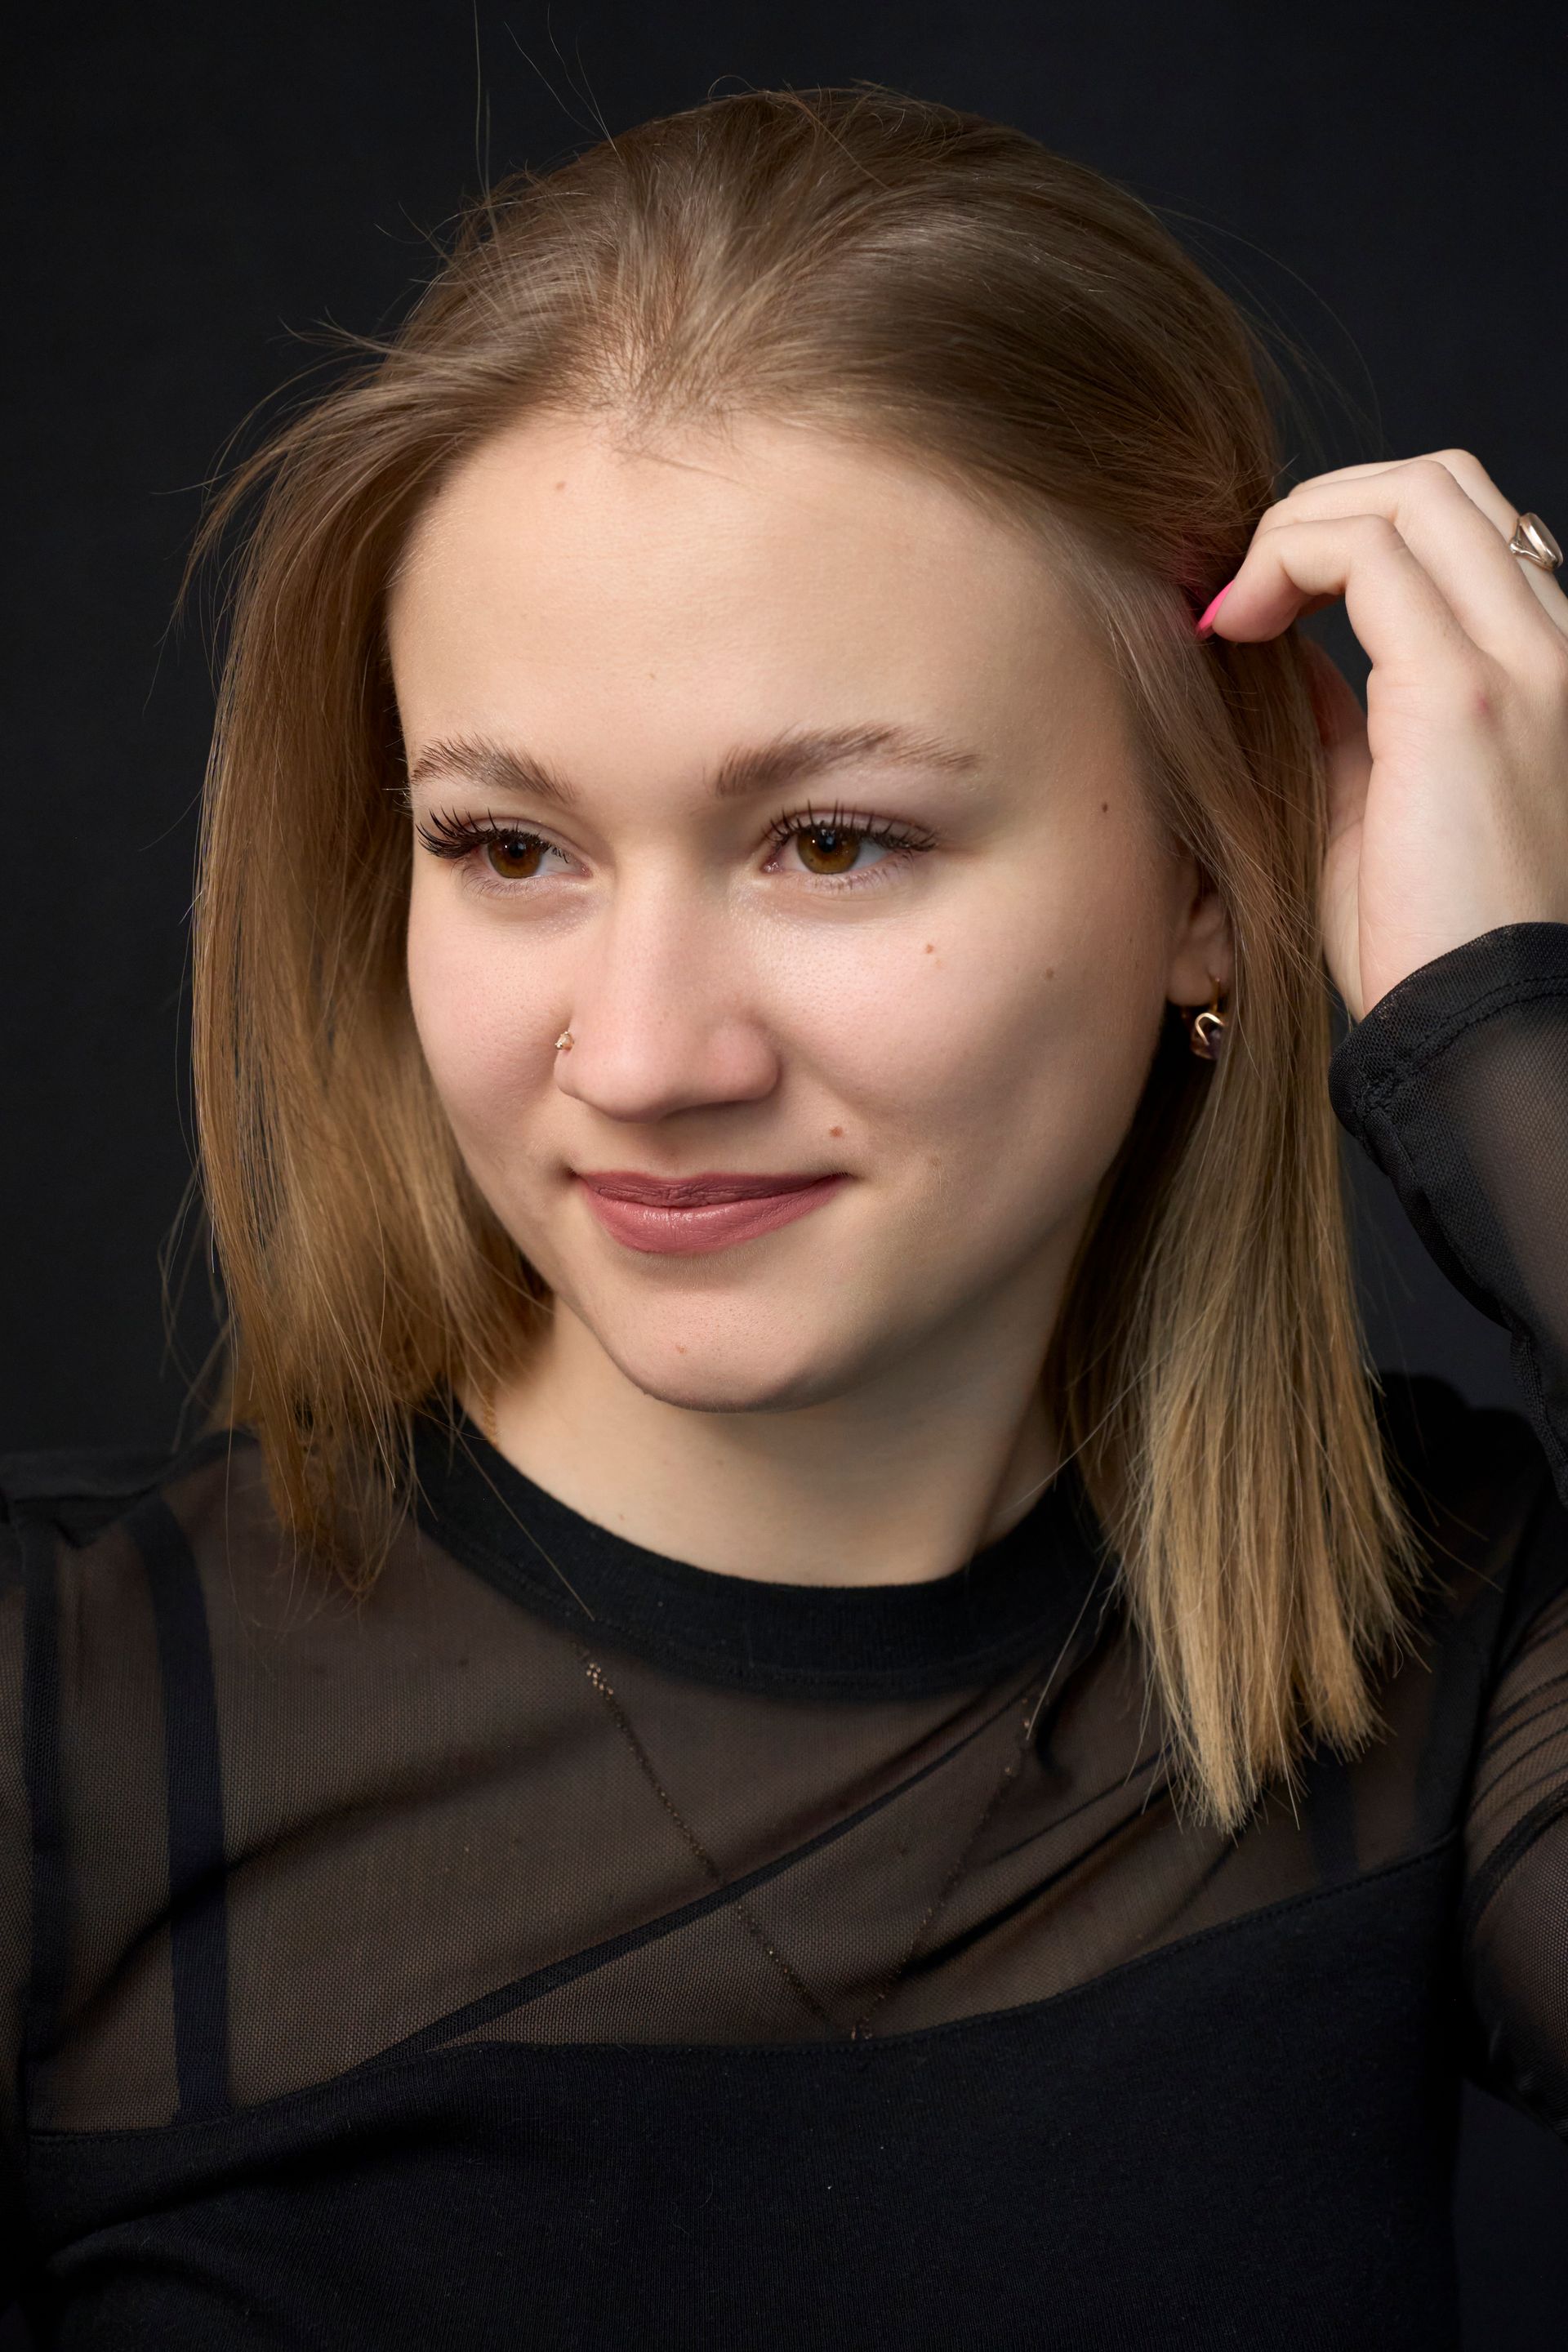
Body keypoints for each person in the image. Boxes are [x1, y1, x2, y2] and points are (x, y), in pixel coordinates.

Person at [2, 83, 1565, 2349]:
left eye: (833, 839)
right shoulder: (63, 1728)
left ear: (1208, 885)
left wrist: (1506, 1031)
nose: (644, 1055)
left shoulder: (1455, 1646)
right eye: (506, 846)